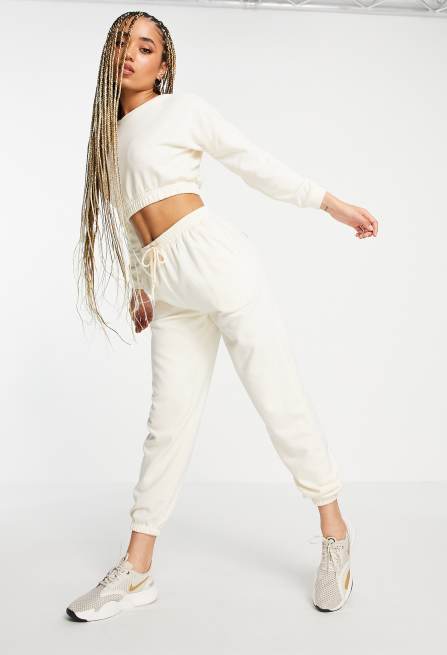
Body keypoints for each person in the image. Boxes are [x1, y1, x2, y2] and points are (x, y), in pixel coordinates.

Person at [68, 10, 378, 622]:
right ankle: (136, 570)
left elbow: (251, 161)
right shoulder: (106, 140)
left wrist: (329, 203)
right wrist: (140, 286)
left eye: (146, 47)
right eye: (124, 43)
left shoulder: (181, 110)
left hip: (217, 262)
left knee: (277, 400)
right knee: (167, 427)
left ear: (163, 66)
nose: (131, 54)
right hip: (168, 284)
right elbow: (127, 219)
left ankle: (335, 533)